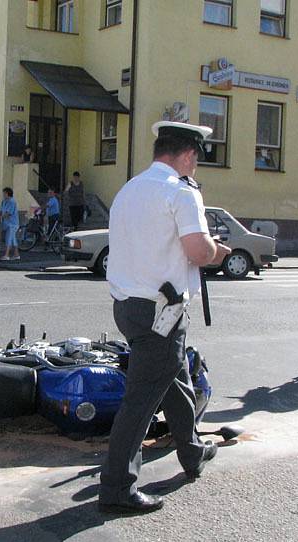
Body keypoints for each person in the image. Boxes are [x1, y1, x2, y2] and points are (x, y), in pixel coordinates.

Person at [98, 121, 232, 515]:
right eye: (197, 159)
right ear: (189, 154)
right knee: (141, 402)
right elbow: (198, 251)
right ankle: (117, 488)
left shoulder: (130, 189)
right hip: (163, 311)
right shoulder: (181, 192)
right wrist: (217, 251)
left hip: (129, 307)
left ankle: (192, 452)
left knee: (175, 381)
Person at [0, 187, 20, 261]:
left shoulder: (12, 202)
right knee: (13, 239)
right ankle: (16, 255)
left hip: (12, 224)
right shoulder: (4, 201)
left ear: (8, 194)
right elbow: (1, 210)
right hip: (7, 223)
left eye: (4, 193)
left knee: (8, 239)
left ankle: (6, 255)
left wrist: (0, 217)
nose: (3, 195)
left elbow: (8, 213)